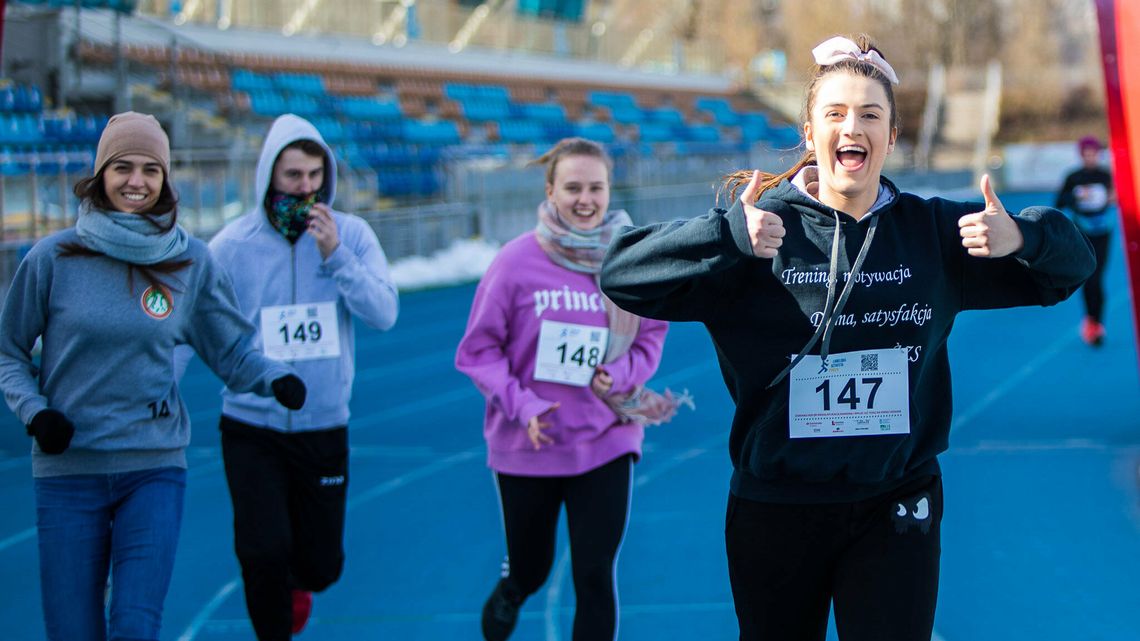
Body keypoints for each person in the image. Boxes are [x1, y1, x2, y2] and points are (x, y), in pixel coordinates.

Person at [599, 35, 1095, 641]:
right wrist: (724, 236)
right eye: (834, 113)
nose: (851, 127)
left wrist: (1022, 237)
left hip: (897, 500)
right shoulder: (756, 232)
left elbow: (1071, 267)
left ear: (892, 135)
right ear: (810, 133)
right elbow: (620, 275)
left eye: (870, 115)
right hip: (777, 505)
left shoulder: (934, 233)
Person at [0, 111, 307, 641]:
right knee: (71, 632)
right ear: (101, 174)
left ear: (165, 179)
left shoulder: (190, 262)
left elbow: (232, 351)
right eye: (123, 167)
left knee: (135, 627)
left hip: (153, 468)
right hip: (69, 471)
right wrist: (36, 412)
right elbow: (8, 351)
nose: (136, 182)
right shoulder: (53, 258)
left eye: (151, 169)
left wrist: (274, 377)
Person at [456, 138, 686, 641]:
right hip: (528, 445)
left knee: (594, 574)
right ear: (550, 191)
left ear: (609, 191)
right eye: (573, 188)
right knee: (532, 569)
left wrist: (621, 375)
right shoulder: (514, 263)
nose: (586, 199)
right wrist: (524, 405)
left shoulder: (629, 261)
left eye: (596, 188)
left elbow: (650, 337)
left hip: (606, 439)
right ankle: (513, 587)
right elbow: (477, 351)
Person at [203, 113, 399, 640]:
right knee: (261, 551)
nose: (306, 187)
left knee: (320, 565)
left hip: (322, 425)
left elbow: (383, 313)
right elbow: (191, 322)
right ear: (269, 174)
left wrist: (336, 258)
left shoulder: (351, 235)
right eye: (293, 175)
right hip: (251, 424)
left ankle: (300, 583)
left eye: (315, 175)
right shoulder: (232, 245)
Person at [1055, 134, 1115, 346]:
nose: (1090, 158)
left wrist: (1112, 197)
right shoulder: (1074, 177)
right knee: (1088, 277)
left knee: (1097, 277)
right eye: (1086, 154)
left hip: (1103, 232)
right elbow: (1059, 202)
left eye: (1094, 154)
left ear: (1099, 154)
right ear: (1081, 155)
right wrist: (1076, 196)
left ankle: (1097, 323)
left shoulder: (1106, 176)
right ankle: (1091, 321)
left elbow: (1119, 196)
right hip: (1082, 232)